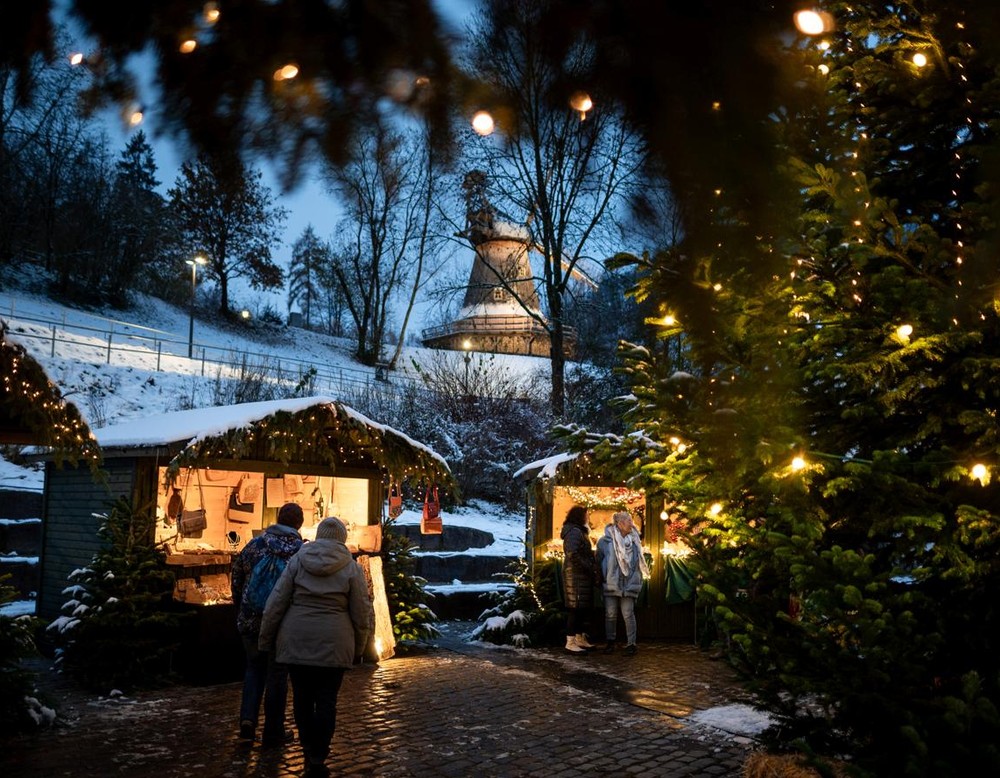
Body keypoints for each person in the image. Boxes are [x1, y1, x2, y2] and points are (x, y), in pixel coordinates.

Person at [259, 516, 373, 778]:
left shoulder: (298, 560)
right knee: (326, 701)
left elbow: (276, 602)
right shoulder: (351, 567)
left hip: (297, 640)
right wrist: (359, 647)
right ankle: (318, 754)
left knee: (302, 698)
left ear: (319, 536)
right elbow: (361, 612)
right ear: (342, 539)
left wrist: (266, 639)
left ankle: (307, 746)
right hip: (335, 643)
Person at [230, 502, 304, 746]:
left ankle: (247, 721)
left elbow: (237, 575)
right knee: (277, 675)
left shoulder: (255, 545)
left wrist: (241, 605)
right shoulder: (300, 552)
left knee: (253, 669)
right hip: (282, 623)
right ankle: (273, 730)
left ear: (278, 519)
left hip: (251, 619)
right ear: (299, 524)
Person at [596, 510, 650, 656]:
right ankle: (610, 642)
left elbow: (637, 562)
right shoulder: (605, 542)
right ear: (620, 524)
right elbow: (598, 560)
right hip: (611, 582)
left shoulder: (635, 540)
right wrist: (604, 575)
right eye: (629, 521)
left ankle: (631, 644)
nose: (632, 524)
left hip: (629, 582)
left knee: (628, 613)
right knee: (610, 614)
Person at [561, 505, 597, 653]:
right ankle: (570, 642)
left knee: (581, 608)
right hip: (575, 576)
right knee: (575, 609)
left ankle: (579, 638)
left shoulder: (579, 531)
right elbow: (572, 553)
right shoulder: (574, 532)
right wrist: (588, 565)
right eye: (586, 515)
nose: (588, 517)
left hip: (580, 575)